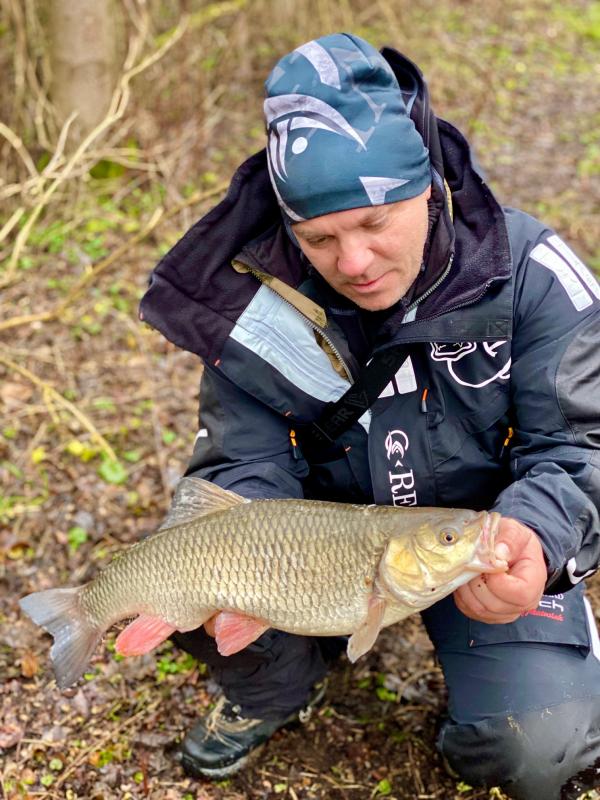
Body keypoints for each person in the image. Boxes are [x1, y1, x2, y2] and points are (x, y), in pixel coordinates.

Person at [139, 33, 600, 800]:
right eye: (319, 238)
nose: (353, 262)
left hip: (476, 542)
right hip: (320, 552)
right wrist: (237, 556)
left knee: (537, 749)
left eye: (376, 222)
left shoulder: (531, 277)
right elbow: (244, 461)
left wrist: (539, 533)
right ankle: (279, 687)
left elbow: (584, 444)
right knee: (187, 569)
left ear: (429, 188)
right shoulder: (250, 304)